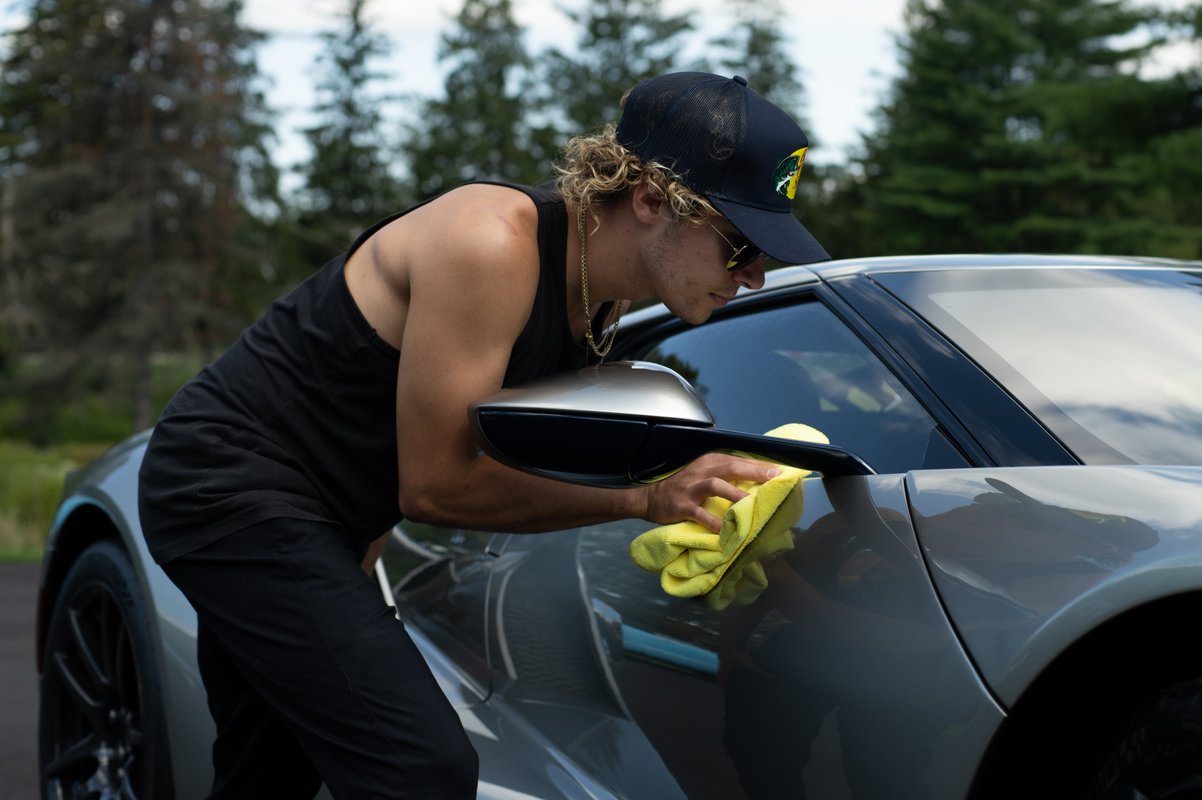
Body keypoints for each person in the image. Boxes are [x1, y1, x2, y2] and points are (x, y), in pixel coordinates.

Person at [137, 72, 829, 799]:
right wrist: (646, 499)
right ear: (652, 198)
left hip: (325, 518)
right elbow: (436, 486)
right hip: (226, 481)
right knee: (419, 767)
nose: (754, 276)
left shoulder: (604, 298)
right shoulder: (491, 241)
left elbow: (376, 428)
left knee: (269, 775)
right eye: (740, 244)